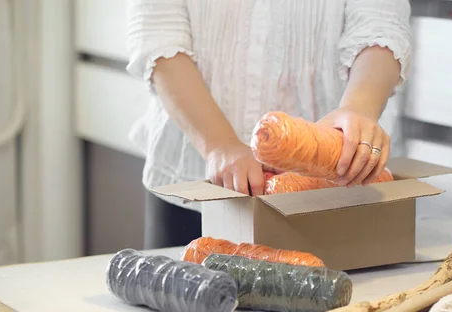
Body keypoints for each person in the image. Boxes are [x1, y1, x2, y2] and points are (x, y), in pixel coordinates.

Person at [126, 0, 412, 249]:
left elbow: (381, 26)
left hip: (332, 191)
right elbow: (158, 39)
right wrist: (219, 145)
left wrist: (357, 109)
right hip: (194, 184)